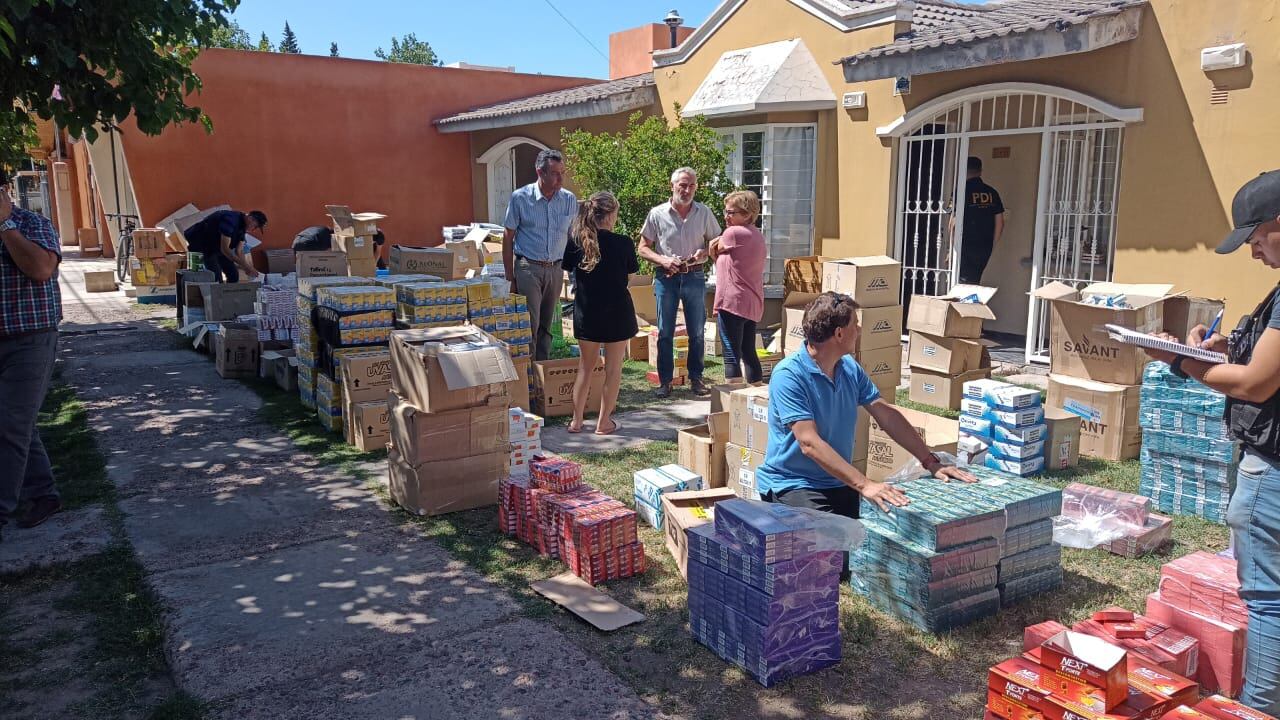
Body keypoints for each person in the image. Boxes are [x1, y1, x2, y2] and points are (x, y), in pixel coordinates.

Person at [1142, 170, 1280, 715]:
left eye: (1256, 240)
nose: (1254, 253)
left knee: (1269, 604)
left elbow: (1255, 383)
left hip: (1272, 470)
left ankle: (1258, 708)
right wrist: (1226, 347)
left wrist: (1182, 361)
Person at [755, 292, 976, 577]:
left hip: (837, 482)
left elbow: (886, 415)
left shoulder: (848, 368)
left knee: (878, 543)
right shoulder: (789, 375)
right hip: (794, 485)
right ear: (839, 333)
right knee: (839, 564)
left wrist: (931, 461)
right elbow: (809, 443)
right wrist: (865, 484)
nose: (859, 330)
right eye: (855, 324)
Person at [0, 175, 63, 542]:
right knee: (18, 424)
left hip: (30, 340)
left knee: (9, 424)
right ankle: (44, 495)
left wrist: (4, 225)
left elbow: (40, 270)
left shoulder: (32, 225)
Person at [639, 167, 721, 398]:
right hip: (667, 278)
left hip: (694, 275)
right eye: (682, 185)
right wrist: (663, 259)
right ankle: (665, 381)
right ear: (672, 186)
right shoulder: (657, 214)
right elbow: (643, 247)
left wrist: (705, 253)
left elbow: (717, 241)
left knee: (696, 330)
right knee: (665, 331)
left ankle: (696, 379)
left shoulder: (703, 212)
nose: (687, 190)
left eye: (691, 185)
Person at [561, 192, 637, 435]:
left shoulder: (576, 240)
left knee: (585, 367)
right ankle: (604, 422)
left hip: (587, 311)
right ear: (612, 213)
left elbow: (567, 273)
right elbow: (630, 278)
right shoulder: (623, 243)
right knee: (613, 369)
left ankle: (576, 421)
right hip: (617, 311)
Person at [503, 149, 577, 361]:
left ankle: (542, 372)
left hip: (555, 268)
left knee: (546, 325)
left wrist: (573, 272)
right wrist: (510, 277)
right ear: (540, 172)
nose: (561, 178)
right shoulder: (520, 198)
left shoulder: (569, 200)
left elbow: (572, 237)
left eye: (563, 172)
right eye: (555, 173)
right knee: (530, 323)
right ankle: (527, 373)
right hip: (528, 267)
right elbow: (508, 237)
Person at [710, 190, 767, 384]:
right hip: (751, 302)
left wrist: (712, 248)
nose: (726, 216)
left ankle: (732, 403)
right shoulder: (757, 234)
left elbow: (714, 249)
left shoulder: (733, 233)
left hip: (732, 302)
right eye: (725, 212)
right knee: (748, 352)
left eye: (731, 213)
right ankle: (753, 398)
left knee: (731, 354)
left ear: (747, 214)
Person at [951, 156, 1005, 284]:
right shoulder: (992, 192)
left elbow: (953, 223)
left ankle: (966, 304)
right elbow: (1000, 223)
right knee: (974, 281)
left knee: (962, 284)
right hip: (984, 245)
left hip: (964, 244)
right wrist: (992, 244)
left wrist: (952, 249)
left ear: (964, 170)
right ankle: (969, 303)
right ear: (980, 171)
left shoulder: (961, 191)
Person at [183, 208, 267, 283]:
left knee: (233, 275)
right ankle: (200, 296)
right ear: (250, 218)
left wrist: (247, 267)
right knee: (210, 276)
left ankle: (228, 297)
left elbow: (239, 251)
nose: (253, 230)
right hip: (198, 243)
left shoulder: (243, 227)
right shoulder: (230, 220)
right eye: (255, 226)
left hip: (216, 246)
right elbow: (225, 249)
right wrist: (246, 267)